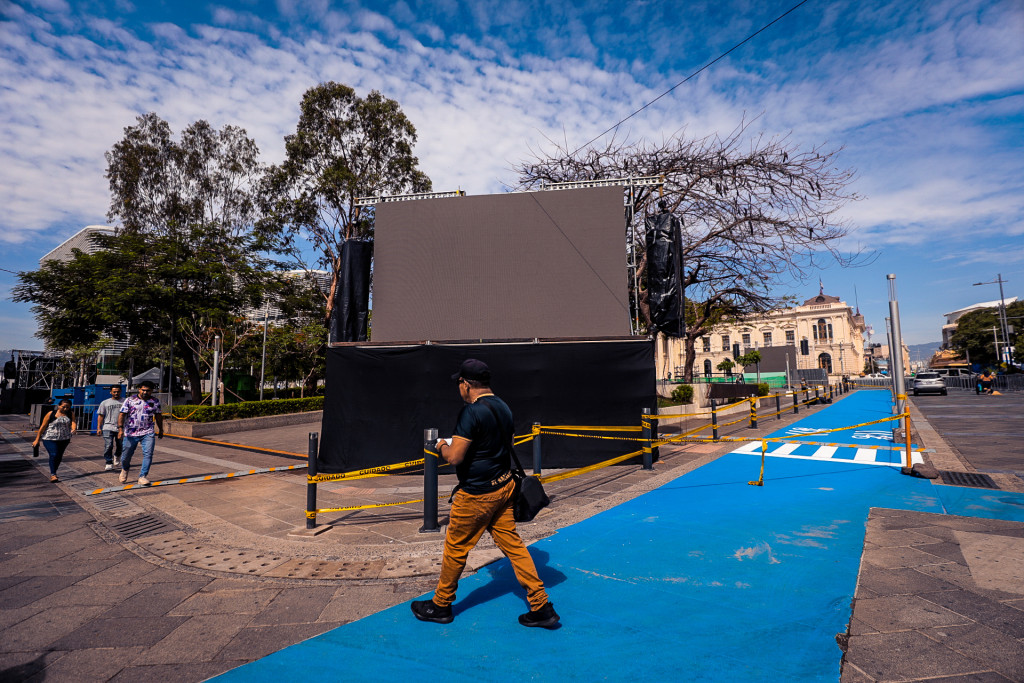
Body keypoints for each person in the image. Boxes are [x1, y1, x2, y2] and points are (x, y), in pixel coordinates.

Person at [411, 359, 558, 629]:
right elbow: (507, 443)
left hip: (477, 494)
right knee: (513, 546)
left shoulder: (470, 413)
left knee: (456, 549)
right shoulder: (503, 406)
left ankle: (441, 605)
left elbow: (455, 457)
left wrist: (441, 445)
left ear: (467, 385)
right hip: (503, 488)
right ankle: (541, 606)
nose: (459, 388)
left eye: (459, 383)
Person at [117, 381, 163, 486]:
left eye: (148, 391)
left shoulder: (155, 401)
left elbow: (159, 416)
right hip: (131, 433)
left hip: (148, 432)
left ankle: (142, 476)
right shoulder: (130, 400)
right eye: (143, 390)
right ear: (139, 389)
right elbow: (122, 414)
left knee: (148, 454)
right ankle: (124, 469)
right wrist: (120, 429)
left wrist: (161, 429)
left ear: (151, 391)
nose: (145, 392)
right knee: (126, 455)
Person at [32, 398, 76, 482]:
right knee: (54, 454)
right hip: (49, 438)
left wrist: (74, 428)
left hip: (64, 439)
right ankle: (53, 474)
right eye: (63, 407)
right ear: (59, 406)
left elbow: (73, 422)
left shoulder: (70, 413)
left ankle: (54, 471)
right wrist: (37, 439)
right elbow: (43, 427)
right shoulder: (51, 414)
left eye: (68, 407)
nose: (65, 409)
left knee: (59, 456)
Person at [96, 385, 124, 471]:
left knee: (120, 445)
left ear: (120, 391)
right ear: (110, 392)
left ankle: (117, 455)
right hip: (108, 427)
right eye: (114, 392)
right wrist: (98, 428)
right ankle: (108, 462)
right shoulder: (105, 403)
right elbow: (101, 416)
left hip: (121, 428)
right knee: (108, 445)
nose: (116, 393)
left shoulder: (125, 401)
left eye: (118, 391)